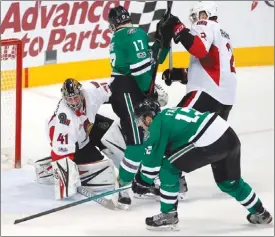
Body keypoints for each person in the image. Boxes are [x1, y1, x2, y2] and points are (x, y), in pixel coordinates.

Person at [131, 99, 272, 231]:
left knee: (168, 168)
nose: (140, 125)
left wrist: (141, 181)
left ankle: (168, 215)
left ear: (148, 118)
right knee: (229, 182)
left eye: (140, 120)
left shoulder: (156, 126)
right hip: (228, 135)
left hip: (209, 140)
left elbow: (151, 167)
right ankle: (261, 213)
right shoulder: (169, 114)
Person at [160, 1, 237, 195]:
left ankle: (171, 179)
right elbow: (211, 65)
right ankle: (229, 180)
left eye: (198, 15)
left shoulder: (207, 25)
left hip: (206, 94)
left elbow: (199, 50)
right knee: (210, 138)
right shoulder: (223, 35)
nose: (195, 20)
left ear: (207, 13)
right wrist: (180, 74)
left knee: (168, 126)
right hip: (224, 100)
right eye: (193, 17)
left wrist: (178, 28)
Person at [107, 5, 169, 209]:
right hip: (128, 91)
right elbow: (142, 71)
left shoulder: (124, 36)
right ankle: (121, 186)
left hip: (130, 90)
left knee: (151, 138)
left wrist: (163, 42)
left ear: (114, 23)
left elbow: (152, 60)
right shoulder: (134, 33)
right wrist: (149, 92)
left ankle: (146, 179)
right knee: (137, 144)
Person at [34, 78, 126, 200]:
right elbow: (61, 154)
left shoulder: (92, 92)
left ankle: (128, 170)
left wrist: (142, 94)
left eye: (75, 98)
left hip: (86, 129)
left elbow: (115, 86)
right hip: (70, 144)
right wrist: (66, 187)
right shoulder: (64, 118)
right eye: (69, 99)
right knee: (105, 177)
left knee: (113, 133)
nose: (73, 102)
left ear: (81, 93)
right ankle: (50, 170)